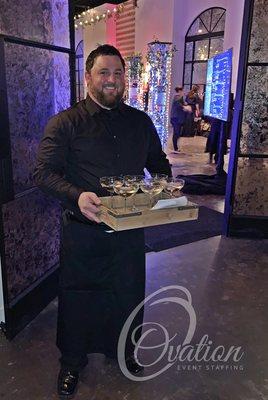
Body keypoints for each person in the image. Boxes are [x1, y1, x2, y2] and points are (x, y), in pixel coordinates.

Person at [34, 44, 171, 398]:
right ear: (88, 78)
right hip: (85, 233)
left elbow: (159, 165)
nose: (112, 80)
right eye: (104, 73)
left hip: (128, 234)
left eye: (118, 73)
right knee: (79, 299)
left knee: (127, 294)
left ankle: (123, 350)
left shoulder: (139, 121)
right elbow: (43, 173)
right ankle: (72, 363)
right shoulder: (65, 124)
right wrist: (76, 196)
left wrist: (158, 188)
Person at [170, 87, 187, 152]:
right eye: (182, 91)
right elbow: (179, 106)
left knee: (177, 133)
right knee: (176, 133)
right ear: (180, 91)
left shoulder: (180, 98)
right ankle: (175, 147)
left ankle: (175, 147)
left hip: (178, 118)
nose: (183, 92)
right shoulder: (177, 97)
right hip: (175, 118)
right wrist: (185, 107)